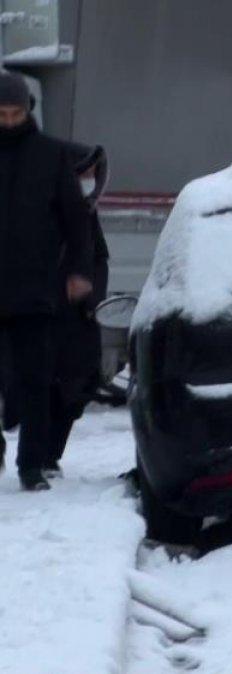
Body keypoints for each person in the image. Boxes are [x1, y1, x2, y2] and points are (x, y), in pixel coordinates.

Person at [0, 71, 93, 491]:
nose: (8, 121)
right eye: (1, 114)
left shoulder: (51, 155)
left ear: (28, 111)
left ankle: (32, 466)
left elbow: (76, 220)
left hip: (34, 287)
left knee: (35, 379)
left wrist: (78, 270)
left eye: (15, 113)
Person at [43, 143, 111, 478]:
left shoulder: (88, 213)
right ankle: (38, 457)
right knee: (41, 388)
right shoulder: (44, 208)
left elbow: (99, 258)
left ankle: (50, 455)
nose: (88, 181)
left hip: (80, 320)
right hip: (45, 315)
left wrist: (91, 297)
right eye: (81, 174)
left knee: (75, 389)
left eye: (91, 175)